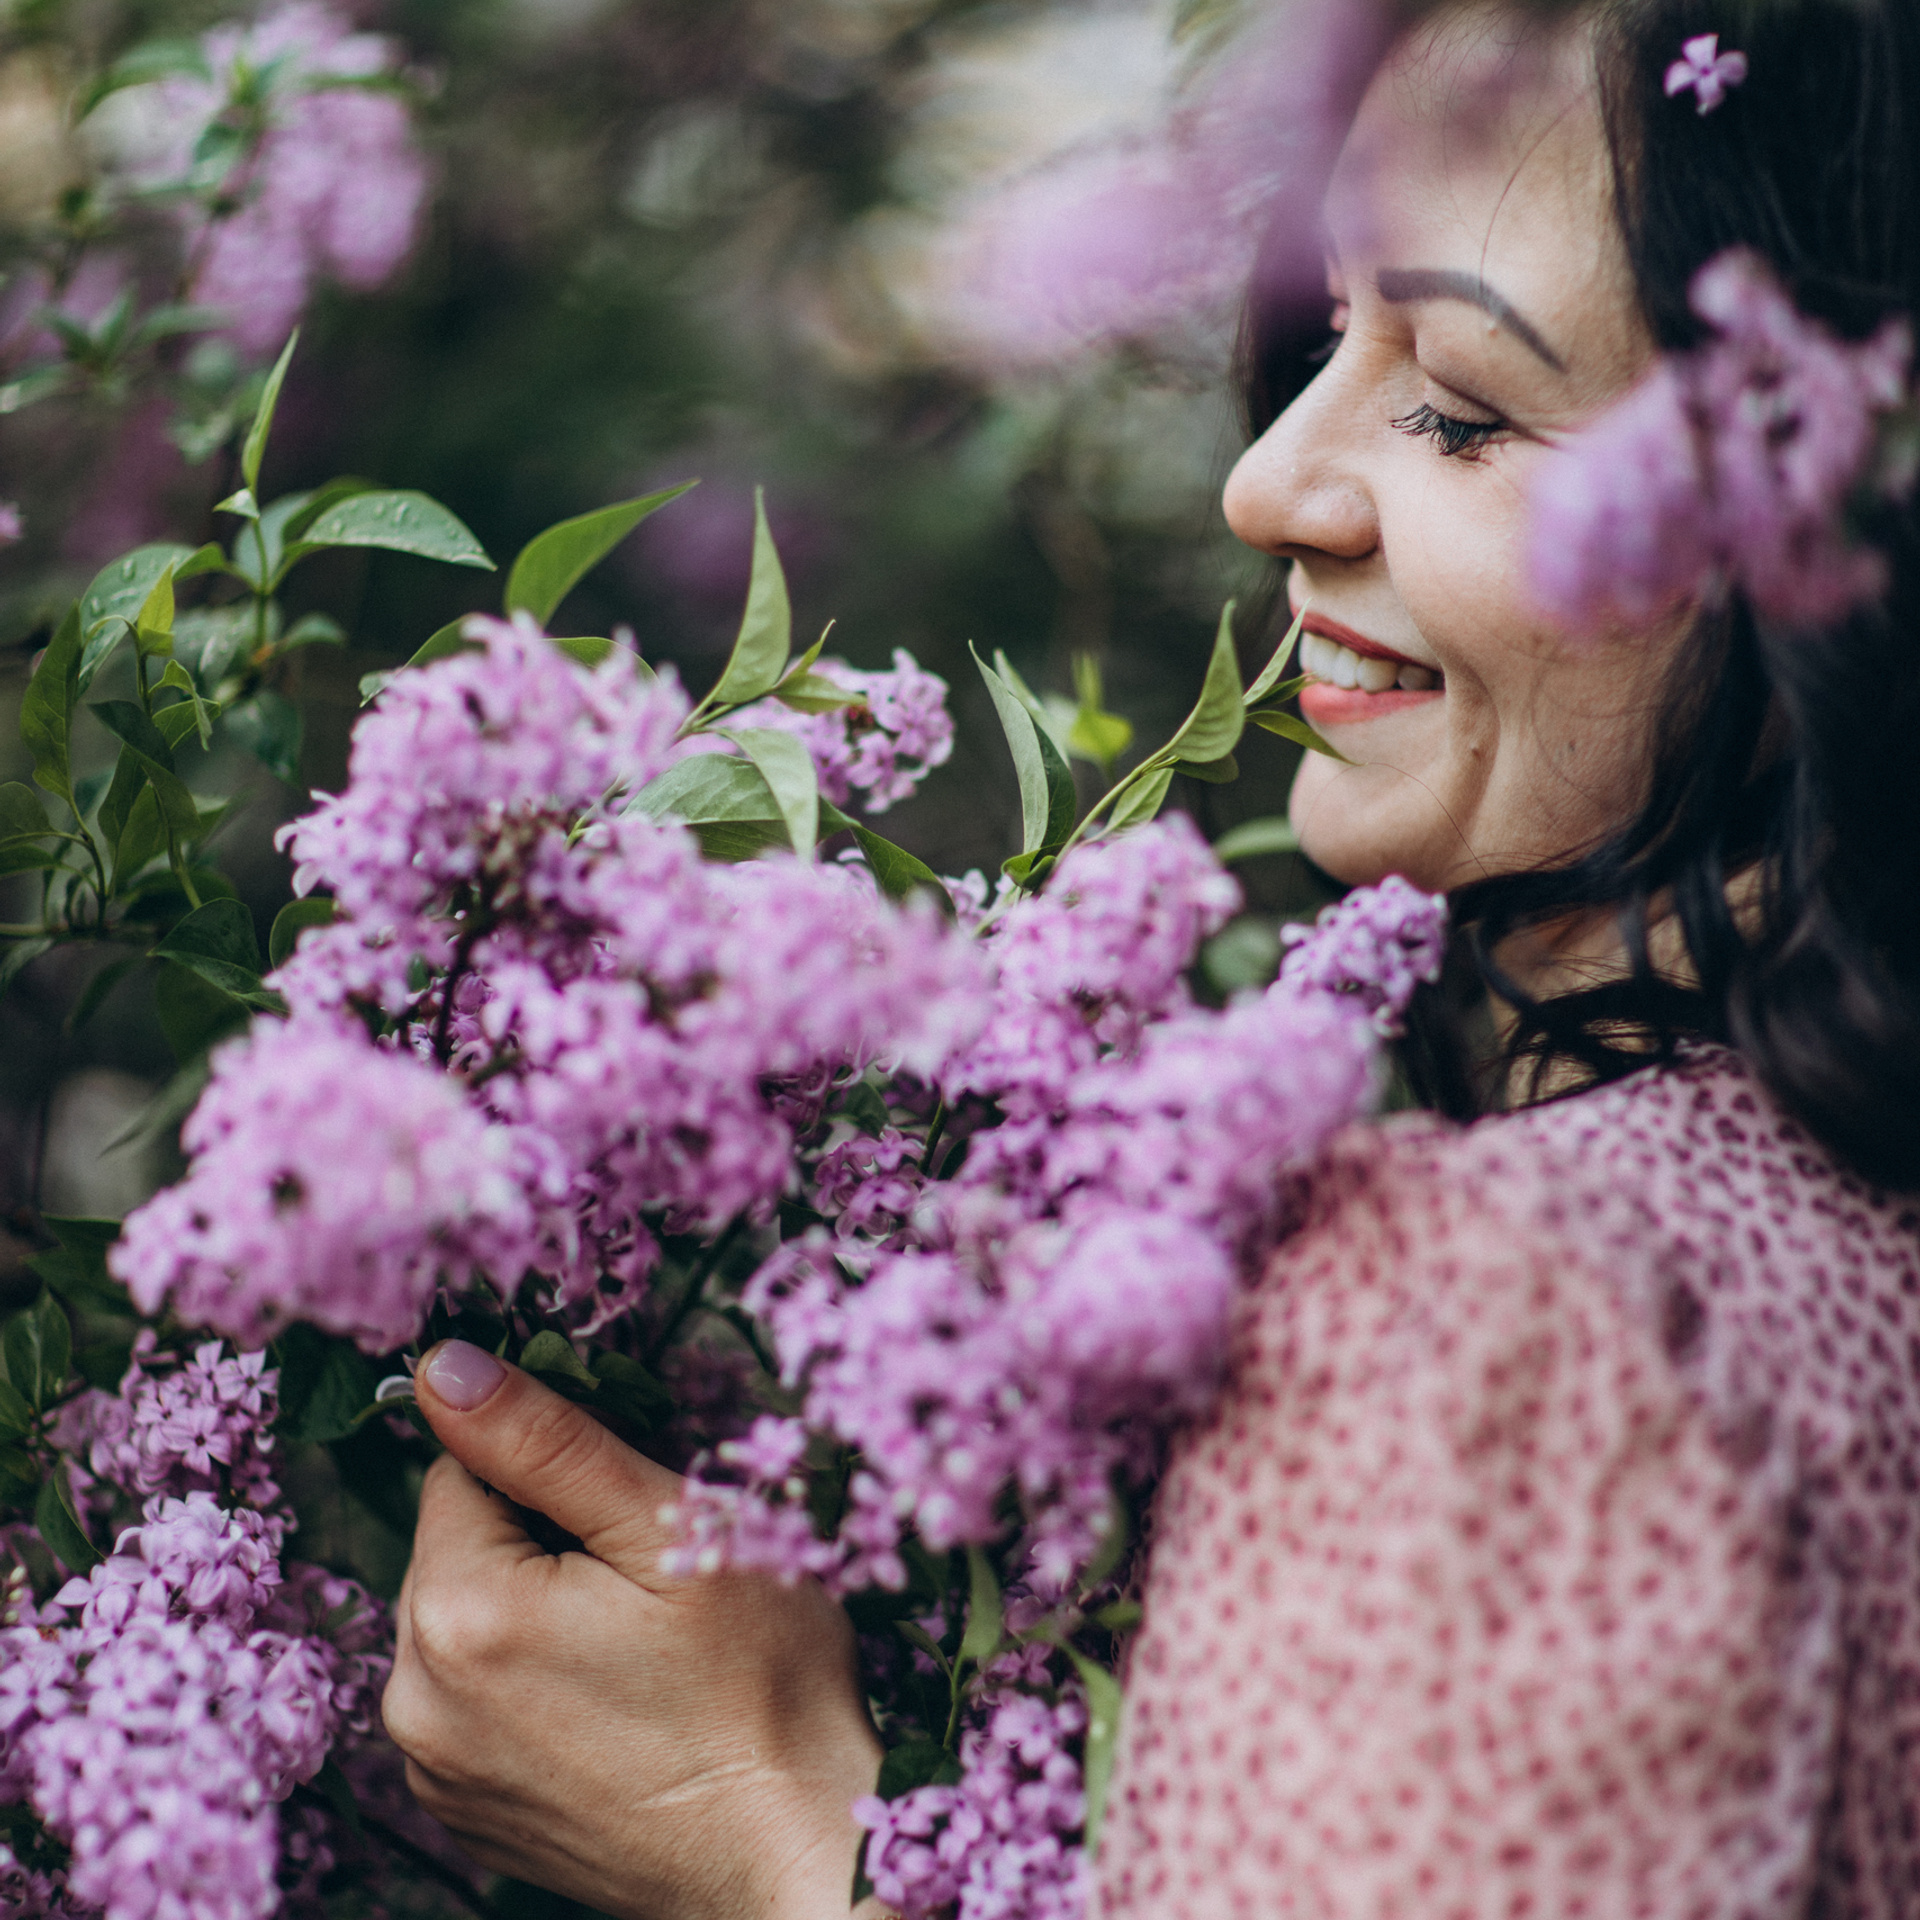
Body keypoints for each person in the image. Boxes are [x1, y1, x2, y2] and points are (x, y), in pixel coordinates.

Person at [377, 1, 1920, 1914]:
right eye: (1321, 339)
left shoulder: (1504, 1316)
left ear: (1846, 518)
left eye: (1457, 404)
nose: (1267, 480)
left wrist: (763, 1842)